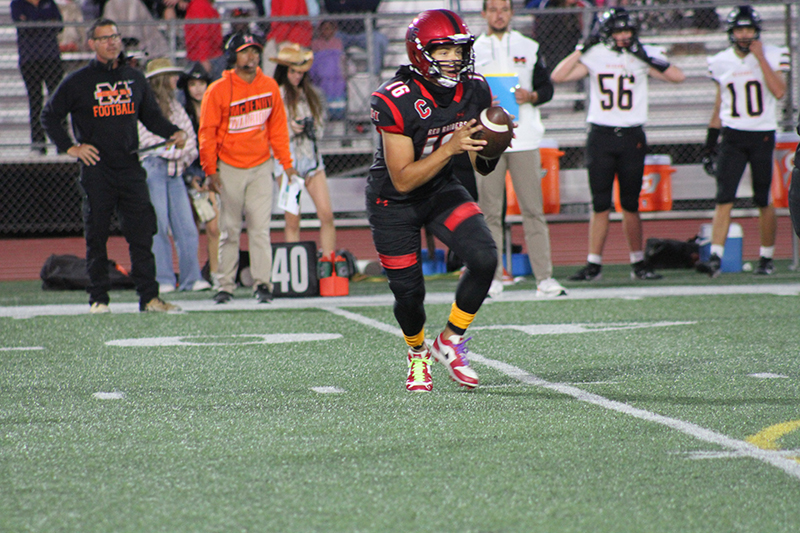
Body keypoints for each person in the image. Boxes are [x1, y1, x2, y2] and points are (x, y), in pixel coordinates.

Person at [368, 9, 499, 392]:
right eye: (443, 50)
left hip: (441, 189)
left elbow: (482, 166)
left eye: (458, 51)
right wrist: (451, 149)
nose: (454, 59)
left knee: (485, 257)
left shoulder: (475, 88)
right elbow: (403, 178)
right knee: (409, 294)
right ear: (420, 53)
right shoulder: (394, 98)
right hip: (394, 201)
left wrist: (492, 142)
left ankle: (451, 340)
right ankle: (417, 353)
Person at [41, 18, 186, 313]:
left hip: (131, 167)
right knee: (96, 235)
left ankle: (149, 298)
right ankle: (98, 299)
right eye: (105, 38)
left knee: (142, 233)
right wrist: (71, 148)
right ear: (92, 44)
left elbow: (151, 117)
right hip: (97, 170)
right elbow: (49, 116)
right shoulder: (78, 81)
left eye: (116, 37)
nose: (112, 42)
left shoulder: (134, 78)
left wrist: (173, 132)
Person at [550, 7, 685, 282]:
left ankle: (638, 262)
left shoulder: (642, 54)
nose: (623, 36)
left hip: (632, 136)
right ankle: (593, 264)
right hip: (601, 135)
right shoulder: (596, 54)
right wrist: (580, 48)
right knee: (600, 203)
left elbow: (677, 76)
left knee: (630, 203)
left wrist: (644, 57)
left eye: (627, 31)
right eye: (617, 31)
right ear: (606, 34)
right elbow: (558, 76)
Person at [473, 0, 567, 299]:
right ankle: (493, 278)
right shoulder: (472, 49)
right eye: (493, 9)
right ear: (484, 13)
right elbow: (463, 91)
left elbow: (547, 88)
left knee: (533, 210)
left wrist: (533, 95)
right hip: (487, 139)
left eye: (504, 9)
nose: (499, 14)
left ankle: (545, 279)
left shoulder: (529, 46)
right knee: (489, 212)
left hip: (525, 137)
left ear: (512, 13)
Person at [198, 31, 297, 304]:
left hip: (261, 166)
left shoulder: (269, 86)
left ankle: (262, 284)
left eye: (254, 50)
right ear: (233, 55)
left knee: (260, 228)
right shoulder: (217, 89)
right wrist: (210, 170)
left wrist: (286, 164)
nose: (251, 56)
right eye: (244, 51)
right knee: (229, 229)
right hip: (228, 167)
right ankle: (225, 285)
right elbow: (207, 133)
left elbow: (278, 129)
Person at [696, 5, 789, 278]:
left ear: (757, 31)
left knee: (763, 198)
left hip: (762, 133)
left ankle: (766, 256)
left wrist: (760, 59)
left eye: (749, 29)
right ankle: (715, 256)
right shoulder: (720, 60)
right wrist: (710, 141)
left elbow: (779, 91)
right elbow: (718, 103)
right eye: (740, 29)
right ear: (731, 32)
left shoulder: (772, 54)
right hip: (733, 135)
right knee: (724, 197)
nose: (745, 34)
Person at [138, 57, 212, 294]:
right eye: (170, 75)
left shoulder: (176, 106)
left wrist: (176, 150)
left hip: (176, 173)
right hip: (153, 171)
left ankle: (192, 277)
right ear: (159, 80)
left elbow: (190, 140)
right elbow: (147, 143)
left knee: (187, 227)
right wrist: (175, 149)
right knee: (157, 226)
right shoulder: (144, 106)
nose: (175, 80)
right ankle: (164, 278)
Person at [270, 44, 337, 258]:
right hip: (287, 162)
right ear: (284, 71)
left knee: (326, 214)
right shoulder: (276, 95)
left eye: (301, 72)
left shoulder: (311, 94)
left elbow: (319, 126)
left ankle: (329, 261)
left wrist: (308, 127)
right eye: (293, 72)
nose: (298, 76)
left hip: (312, 160)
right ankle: (292, 266)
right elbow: (272, 129)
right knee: (292, 219)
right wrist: (292, 127)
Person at [179, 63, 221, 288]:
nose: (197, 89)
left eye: (201, 83)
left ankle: (215, 274)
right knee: (189, 228)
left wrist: (211, 174)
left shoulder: (216, 109)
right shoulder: (181, 113)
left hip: (209, 173)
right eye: (192, 84)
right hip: (186, 173)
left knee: (214, 226)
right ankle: (192, 275)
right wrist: (189, 178)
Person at [11, 0, 65, 156]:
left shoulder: (49, 2)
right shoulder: (17, 4)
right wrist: (46, 22)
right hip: (30, 60)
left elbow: (59, 25)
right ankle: (38, 144)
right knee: (35, 102)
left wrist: (34, 21)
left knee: (58, 101)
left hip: (51, 58)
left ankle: (62, 143)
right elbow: (24, 27)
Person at [309, 20, 347, 121]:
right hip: (322, 76)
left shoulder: (337, 42)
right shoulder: (315, 44)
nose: (326, 31)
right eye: (324, 29)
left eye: (329, 28)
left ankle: (338, 113)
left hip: (336, 75)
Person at [184, 0, 225, 81]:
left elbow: (203, 33)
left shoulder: (202, 4)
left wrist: (203, 57)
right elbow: (201, 33)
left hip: (207, 56)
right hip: (206, 57)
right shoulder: (199, 4)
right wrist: (203, 57)